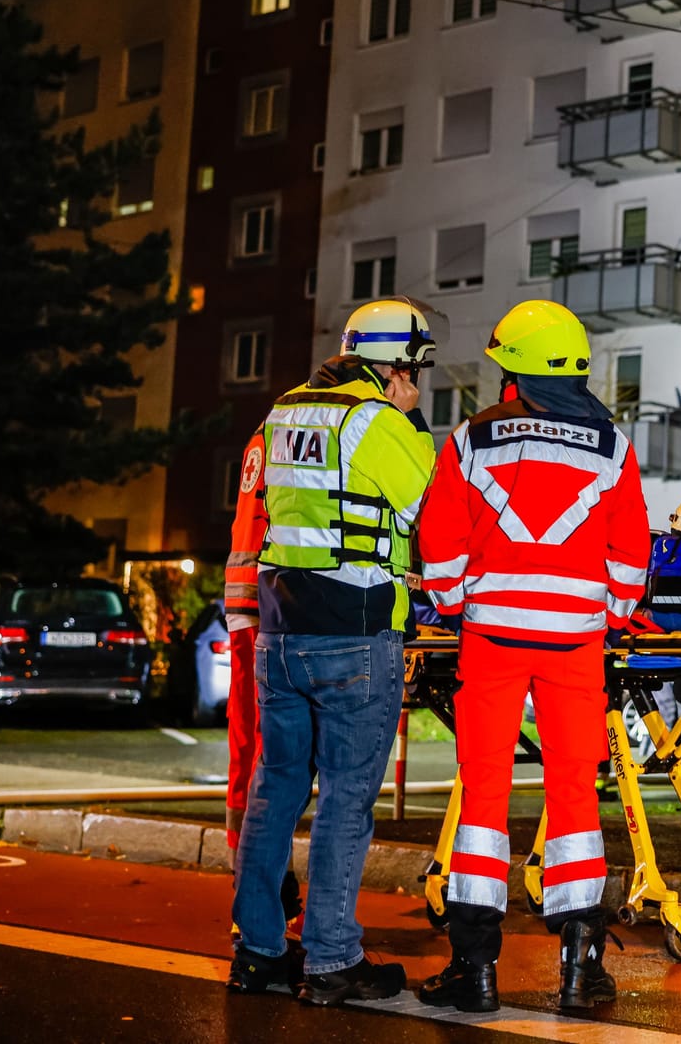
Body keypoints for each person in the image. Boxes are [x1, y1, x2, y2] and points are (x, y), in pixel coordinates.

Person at [416, 301, 649, 1014]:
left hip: (491, 640)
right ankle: (581, 969)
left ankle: (474, 968)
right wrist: (604, 614)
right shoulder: (611, 444)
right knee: (574, 794)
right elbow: (631, 552)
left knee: (483, 795)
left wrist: (460, 603)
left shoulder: (472, 439)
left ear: (513, 369)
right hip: (576, 642)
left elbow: (441, 542)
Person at [228, 298, 440, 1006]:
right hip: (354, 628)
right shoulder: (376, 421)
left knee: (274, 791)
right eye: (414, 371)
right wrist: (408, 422)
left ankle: (258, 953)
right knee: (347, 801)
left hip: (280, 630)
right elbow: (434, 512)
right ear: (395, 368)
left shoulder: (284, 410)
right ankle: (330, 961)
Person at [223, 426, 302, 954]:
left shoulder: (265, 432)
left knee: (250, 750)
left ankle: (252, 890)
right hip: (278, 604)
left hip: (249, 607)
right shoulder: (312, 427)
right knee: (273, 757)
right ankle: (264, 895)